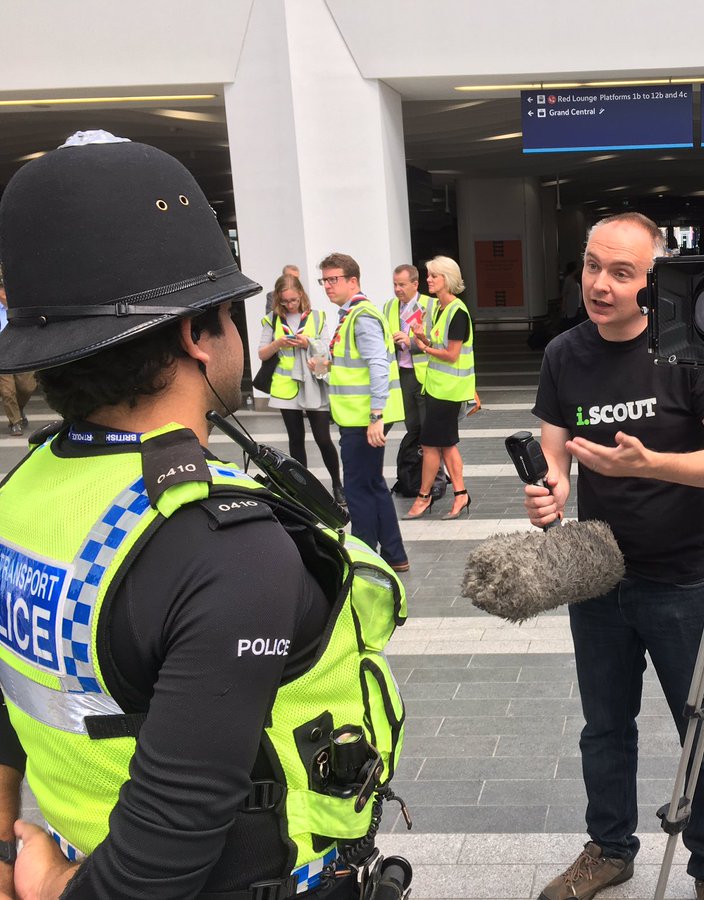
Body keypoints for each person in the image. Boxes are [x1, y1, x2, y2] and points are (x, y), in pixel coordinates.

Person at [0, 134, 407, 899]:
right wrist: (52, 889)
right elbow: (162, 859)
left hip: (71, 836)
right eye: (232, 313)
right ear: (197, 332)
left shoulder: (25, 489)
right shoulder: (227, 547)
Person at [524, 212, 704, 900]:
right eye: (593, 266)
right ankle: (609, 848)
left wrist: (653, 464)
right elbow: (553, 446)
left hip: (681, 577)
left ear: (652, 282)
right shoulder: (565, 353)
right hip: (597, 571)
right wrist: (550, 485)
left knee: (703, 733)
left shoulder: (692, 351)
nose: (601, 283)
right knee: (604, 728)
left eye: (621, 272)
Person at [320, 252, 409, 572]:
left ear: (352, 280)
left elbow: (377, 366)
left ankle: (363, 552)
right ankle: (394, 554)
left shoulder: (362, 315)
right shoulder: (351, 315)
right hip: (355, 416)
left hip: (363, 419)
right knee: (372, 485)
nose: (327, 286)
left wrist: (375, 416)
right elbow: (357, 364)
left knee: (358, 488)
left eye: (334, 279)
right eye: (324, 280)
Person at [258, 273, 344, 505]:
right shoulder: (272, 319)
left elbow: (328, 347)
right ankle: (303, 490)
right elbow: (262, 353)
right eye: (285, 301)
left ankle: (337, 485)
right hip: (286, 388)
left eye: (293, 300)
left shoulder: (317, 317)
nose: (290, 304)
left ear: (301, 295)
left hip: (313, 384)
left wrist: (309, 343)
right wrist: (278, 343)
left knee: (323, 438)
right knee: (296, 439)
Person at [402, 256, 475, 522]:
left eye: (433, 275)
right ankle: (459, 494)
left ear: (447, 278)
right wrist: (423, 336)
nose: (428, 280)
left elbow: (452, 354)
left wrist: (424, 348)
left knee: (434, 444)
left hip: (450, 390)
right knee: (443, 445)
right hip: (438, 388)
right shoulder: (440, 309)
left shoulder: (457, 311)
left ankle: (424, 496)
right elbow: (439, 342)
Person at [383, 264, 440, 493]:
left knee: (430, 431)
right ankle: (416, 477)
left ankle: (435, 482)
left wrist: (411, 342)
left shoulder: (430, 304)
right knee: (414, 428)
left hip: (426, 375)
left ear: (415, 284)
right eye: (395, 284)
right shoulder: (388, 307)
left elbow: (437, 340)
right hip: (402, 374)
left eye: (402, 285)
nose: (397, 289)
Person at [0, 278, 37, 437]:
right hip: (2, 353)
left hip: (20, 352)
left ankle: (20, 409)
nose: (4, 295)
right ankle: (15, 422)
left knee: (27, 387)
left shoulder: (18, 309)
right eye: (2, 292)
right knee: (8, 391)